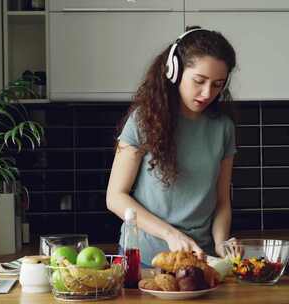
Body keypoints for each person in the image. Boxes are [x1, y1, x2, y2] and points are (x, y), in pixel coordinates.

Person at [106, 26, 237, 266]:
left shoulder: (223, 128)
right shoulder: (143, 120)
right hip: (144, 258)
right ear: (174, 71)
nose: (208, 93)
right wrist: (170, 234)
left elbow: (222, 202)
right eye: (199, 81)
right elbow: (115, 197)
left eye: (218, 84)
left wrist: (221, 243)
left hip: (199, 258)